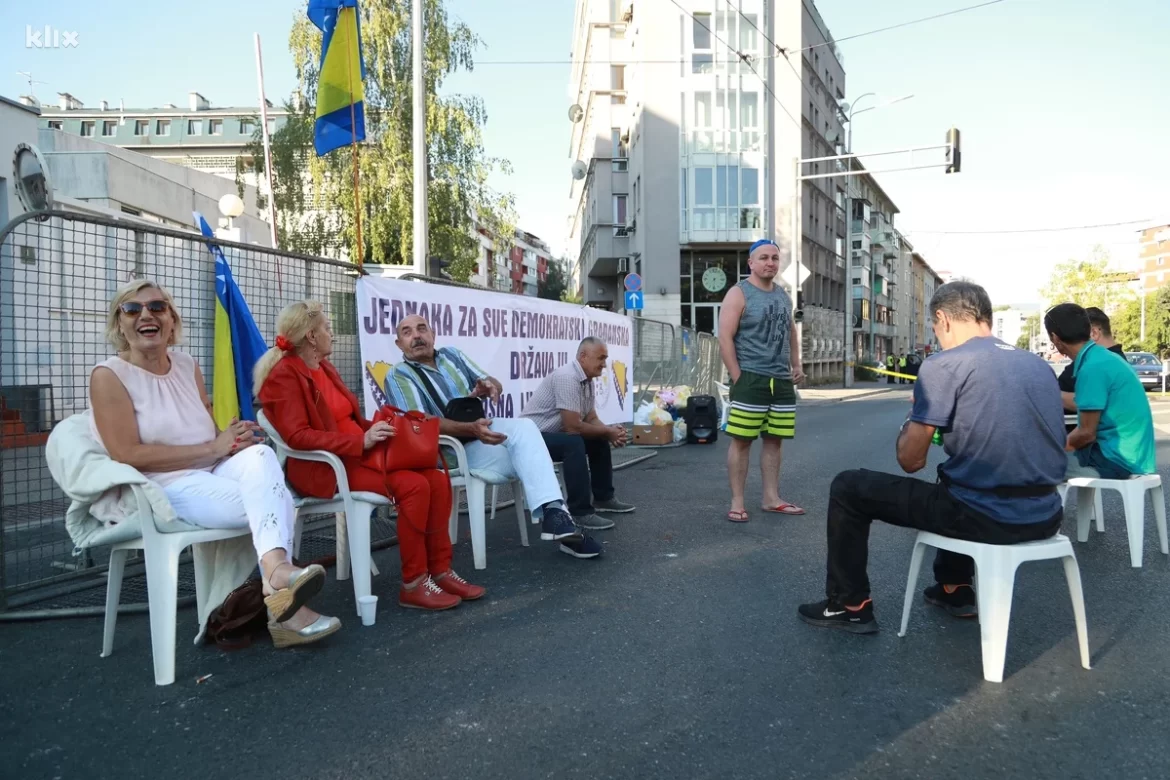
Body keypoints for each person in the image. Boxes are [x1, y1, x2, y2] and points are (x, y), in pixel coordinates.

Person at [797, 281, 1067, 634]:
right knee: (957, 476)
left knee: (848, 487)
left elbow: (910, 460)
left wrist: (916, 416)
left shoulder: (945, 364)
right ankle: (954, 587)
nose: (939, 337)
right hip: (1046, 514)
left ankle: (848, 604)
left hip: (986, 518)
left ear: (943, 319)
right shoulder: (1037, 366)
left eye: (936, 330)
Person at [89, 280, 340, 648]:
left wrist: (230, 440)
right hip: (160, 485)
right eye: (132, 309)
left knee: (261, 455)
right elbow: (126, 454)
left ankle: (274, 574)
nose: (146, 315)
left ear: (171, 321)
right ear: (120, 324)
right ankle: (283, 596)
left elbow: (203, 429)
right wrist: (213, 447)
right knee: (275, 501)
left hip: (208, 467)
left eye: (157, 307)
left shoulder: (186, 364)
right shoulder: (108, 375)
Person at [256, 301, 483, 611]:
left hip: (356, 455)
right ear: (310, 336)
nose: (332, 334)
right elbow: (297, 436)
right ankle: (415, 583)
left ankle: (440, 572)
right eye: (326, 327)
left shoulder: (323, 366)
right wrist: (360, 442)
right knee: (414, 486)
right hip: (325, 467)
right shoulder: (284, 375)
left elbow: (348, 419)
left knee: (437, 478)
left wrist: (376, 430)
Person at [384, 315, 603, 560]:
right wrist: (471, 429)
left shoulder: (452, 356)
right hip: (449, 453)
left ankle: (556, 517)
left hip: (481, 439)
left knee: (525, 429)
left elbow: (492, 381)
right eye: (407, 332)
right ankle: (562, 524)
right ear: (399, 343)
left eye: (421, 329)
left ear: (433, 334)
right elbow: (420, 422)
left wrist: (490, 387)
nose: (416, 336)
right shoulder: (399, 375)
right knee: (533, 452)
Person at [717, 238, 806, 523]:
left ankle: (771, 499)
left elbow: (791, 332)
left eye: (775, 258)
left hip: (780, 382)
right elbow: (725, 338)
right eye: (764, 258)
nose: (770, 263)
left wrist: (796, 365)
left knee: (774, 441)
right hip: (751, 379)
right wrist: (737, 377)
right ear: (751, 263)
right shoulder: (738, 293)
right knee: (742, 441)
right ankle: (737, 502)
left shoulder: (783, 295)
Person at [520, 337, 635, 531]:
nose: (604, 365)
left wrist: (610, 432)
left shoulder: (586, 379)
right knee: (573, 443)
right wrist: (608, 432)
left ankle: (603, 498)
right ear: (583, 356)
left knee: (597, 439)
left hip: (550, 435)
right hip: (531, 438)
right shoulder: (567, 377)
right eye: (601, 358)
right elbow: (572, 427)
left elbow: (591, 418)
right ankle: (580, 512)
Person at [1044, 303, 1156, 481]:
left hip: (1117, 461)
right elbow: (1086, 405)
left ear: (1056, 339)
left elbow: (1086, 434)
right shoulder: (1103, 357)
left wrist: (1054, 449)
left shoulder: (1092, 367)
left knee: (1033, 465)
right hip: (1134, 456)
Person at [1056, 306, 1126, 414]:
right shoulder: (1116, 361)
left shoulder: (1101, 363)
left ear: (1094, 333)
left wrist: (1051, 395)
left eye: (1076, 337)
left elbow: (1093, 403)